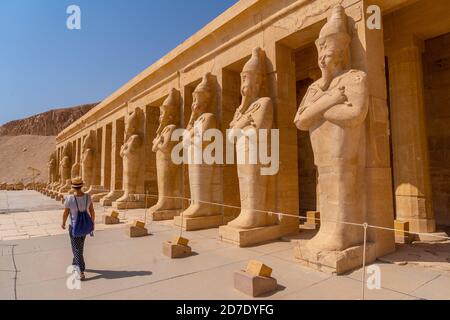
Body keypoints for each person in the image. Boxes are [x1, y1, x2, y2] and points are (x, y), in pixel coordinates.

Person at [61, 177, 95, 280]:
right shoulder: (88, 197)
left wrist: (63, 223)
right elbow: (92, 211)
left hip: (74, 227)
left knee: (76, 249)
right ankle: (74, 262)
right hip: (84, 226)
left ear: (73, 187)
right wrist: (92, 223)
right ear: (82, 186)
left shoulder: (69, 198)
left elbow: (66, 213)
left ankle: (81, 271)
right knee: (80, 247)